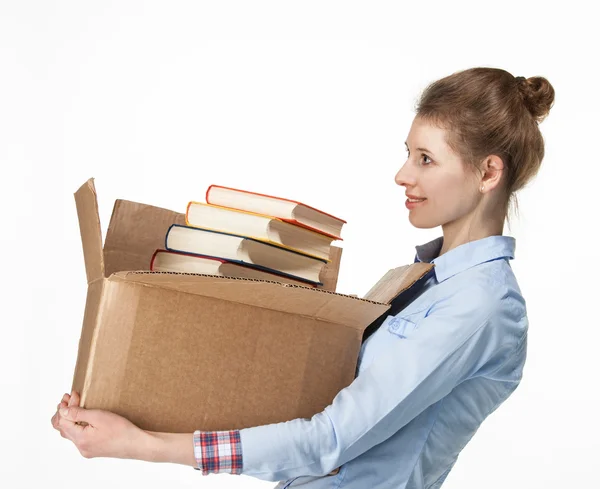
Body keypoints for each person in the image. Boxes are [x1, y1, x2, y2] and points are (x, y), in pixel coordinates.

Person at [51, 67, 555, 488]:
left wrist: (142, 445)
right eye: (406, 153)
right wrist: (127, 402)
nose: (403, 175)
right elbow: (304, 401)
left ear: (488, 173)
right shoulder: (421, 281)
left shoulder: (481, 305)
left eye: (425, 159)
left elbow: (329, 440)